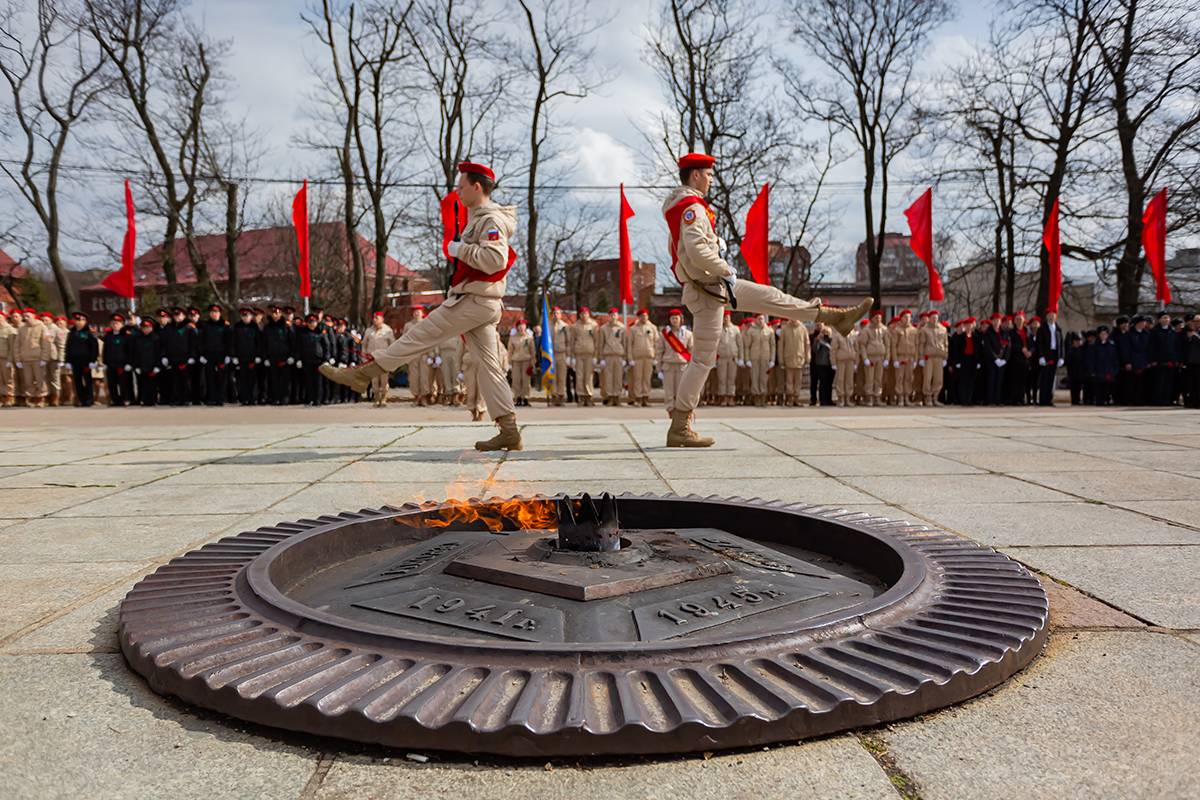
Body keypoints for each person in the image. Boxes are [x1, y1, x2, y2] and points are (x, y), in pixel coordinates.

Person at [661, 152, 871, 445]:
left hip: (715, 287)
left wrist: (717, 252)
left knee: (772, 297)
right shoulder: (691, 208)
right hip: (709, 290)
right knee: (702, 362)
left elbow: (691, 249)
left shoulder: (688, 207)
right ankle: (680, 427)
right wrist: (724, 267)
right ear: (695, 175)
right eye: (708, 174)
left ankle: (834, 317)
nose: (710, 179)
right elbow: (695, 251)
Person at [322, 161, 521, 451]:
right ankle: (509, 429)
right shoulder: (480, 218)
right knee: (490, 367)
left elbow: (495, 260)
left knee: (421, 334)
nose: (458, 191)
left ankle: (364, 373)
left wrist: (458, 249)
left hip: (474, 299)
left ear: (477, 187)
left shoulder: (490, 220)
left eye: (462, 186)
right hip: (481, 301)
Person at [657, 308, 692, 411]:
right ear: (669, 320)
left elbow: (691, 351)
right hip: (668, 365)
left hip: (682, 365)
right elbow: (659, 351)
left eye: (676, 318)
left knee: (681, 390)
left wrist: (691, 368)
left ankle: (680, 410)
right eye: (672, 318)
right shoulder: (664, 334)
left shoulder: (687, 334)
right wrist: (658, 369)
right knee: (669, 391)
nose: (674, 320)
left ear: (681, 319)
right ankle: (670, 410)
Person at [64, 312, 98, 407]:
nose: (80, 322)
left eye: (83, 320)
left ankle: (89, 399)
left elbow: (94, 347)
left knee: (87, 381)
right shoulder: (72, 333)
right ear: (74, 321)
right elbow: (68, 347)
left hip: (86, 361)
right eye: (78, 320)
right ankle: (81, 399)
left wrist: (93, 360)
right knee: (77, 381)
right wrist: (67, 361)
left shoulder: (89, 333)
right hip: (75, 361)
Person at [102, 313, 135, 407]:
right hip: (111, 364)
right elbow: (106, 350)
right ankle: (115, 400)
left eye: (118, 323)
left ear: (122, 324)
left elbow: (130, 350)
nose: (115, 325)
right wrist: (105, 362)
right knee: (112, 383)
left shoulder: (126, 336)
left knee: (124, 383)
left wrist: (129, 363)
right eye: (113, 323)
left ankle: (126, 399)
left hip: (123, 364)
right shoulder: (108, 336)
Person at [627, 308, 658, 407]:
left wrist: (656, 358)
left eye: (645, 315)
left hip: (649, 357)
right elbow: (629, 345)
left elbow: (657, 343)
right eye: (642, 316)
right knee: (638, 378)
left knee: (647, 379)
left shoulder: (653, 328)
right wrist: (630, 358)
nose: (644, 318)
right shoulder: (634, 328)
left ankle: (646, 398)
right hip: (637, 358)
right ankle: (638, 398)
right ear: (639, 317)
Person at [569, 306, 599, 407]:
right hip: (578, 354)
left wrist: (596, 356)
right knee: (580, 376)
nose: (584, 316)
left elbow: (597, 341)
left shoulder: (594, 325)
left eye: (585, 314)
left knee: (589, 376)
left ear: (588, 314)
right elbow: (572, 341)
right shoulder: (575, 326)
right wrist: (571, 357)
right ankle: (581, 397)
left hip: (590, 354)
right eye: (582, 314)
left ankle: (589, 396)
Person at [1034, 309, 1063, 406]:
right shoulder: (1042, 329)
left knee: (1051, 378)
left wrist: (1061, 357)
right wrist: (1041, 356)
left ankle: (1049, 399)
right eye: (1049, 315)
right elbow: (1039, 344)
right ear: (1046, 317)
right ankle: (1043, 400)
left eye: (1053, 315)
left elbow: (1061, 344)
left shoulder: (1058, 329)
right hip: (1046, 354)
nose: (1051, 317)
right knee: (1044, 378)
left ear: (1056, 317)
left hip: (1055, 354)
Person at [597, 308, 626, 406]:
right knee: (608, 378)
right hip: (608, 355)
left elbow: (625, 343)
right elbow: (600, 343)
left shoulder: (622, 328)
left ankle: (617, 397)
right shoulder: (603, 328)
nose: (613, 317)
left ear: (618, 316)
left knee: (618, 377)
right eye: (611, 315)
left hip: (619, 355)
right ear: (608, 317)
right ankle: (609, 397)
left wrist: (625, 358)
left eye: (615, 315)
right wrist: (601, 358)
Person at [779, 317, 809, 407]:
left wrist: (808, 358)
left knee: (798, 381)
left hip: (800, 358)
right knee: (789, 381)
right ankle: (790, 399)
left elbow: (807, 344)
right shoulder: (785, 329)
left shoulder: (803, 328)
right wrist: (781, 360)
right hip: (788, 358)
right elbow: (781, 345)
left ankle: (796, 398)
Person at [921, 310, 949, 406]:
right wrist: (921, 358)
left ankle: (935, 397)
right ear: (929, 318)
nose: (934, 319)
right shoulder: (925, 329)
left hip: (939, 356)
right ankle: (928, 398)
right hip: (928, 357)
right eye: (933, 318)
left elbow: (945, 344)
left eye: (936, 318)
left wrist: (945, 356)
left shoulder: (943, 329)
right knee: (928, 378)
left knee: (938, 378)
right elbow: (921, 344)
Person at [1087, 325, 1119, 405]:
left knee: (1108, 387)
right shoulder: (1094, 346)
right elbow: (1091, 359)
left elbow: (1115, 359)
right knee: (1099, 387)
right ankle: (1099, 401)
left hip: (1109, 370)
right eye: (1101, 334)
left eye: (1105, 334)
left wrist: (1115, 370)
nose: (1103, 336)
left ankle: (1107, 400)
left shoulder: (1112, 345)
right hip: (1099, 370)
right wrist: (1092, 370)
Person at [508, 317, 535, 407]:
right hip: (516, 361)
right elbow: (510, 351)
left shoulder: (529, 338)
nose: (521, 327)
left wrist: (533, 362)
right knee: (516, 380)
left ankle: (526, 398)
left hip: (526, 361)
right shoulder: (513, 338)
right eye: (519, 325)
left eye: (523, 325)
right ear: (517, 327)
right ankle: (518, 397)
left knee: (526, 381)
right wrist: (509, 363)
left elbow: (532, 351)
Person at [831, 323, 857, 407]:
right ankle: (841, 398)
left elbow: (856, 349)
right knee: (840, 379)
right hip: (841, 360)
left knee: (849, 380)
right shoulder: (838, 335)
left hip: (850, 360)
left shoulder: (853, 335)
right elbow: (833, 350)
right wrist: (833, 363)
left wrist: (856, 362)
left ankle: (848, 398)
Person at [809, 323, 834, 406]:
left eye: (827, 332)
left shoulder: (831, 340)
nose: (826, 333)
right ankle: (822, 400)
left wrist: (830, 337)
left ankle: (829, 399)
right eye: (824, 332)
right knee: (822, 383)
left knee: (829, 383)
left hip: (830, 363)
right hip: (820, 363)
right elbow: (814, 350)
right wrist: (818, 340)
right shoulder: (818, 339)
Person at [1183, 312, 1200, 409]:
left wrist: (1195, 336)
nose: (1196, 323)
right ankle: (1191, 401)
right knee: (1191, 383)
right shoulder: (1189, 331)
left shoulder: (1195, 333)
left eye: (1198, 321)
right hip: (1190, 361)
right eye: (1195, 321)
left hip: (1199, 362)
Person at [0, 310, 16, 406]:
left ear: (4, 318)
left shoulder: (10, 329)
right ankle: (2, 398)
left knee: (8, 379)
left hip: (6, 358)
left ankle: (9, 398)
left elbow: (12, 347)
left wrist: (10, 360)